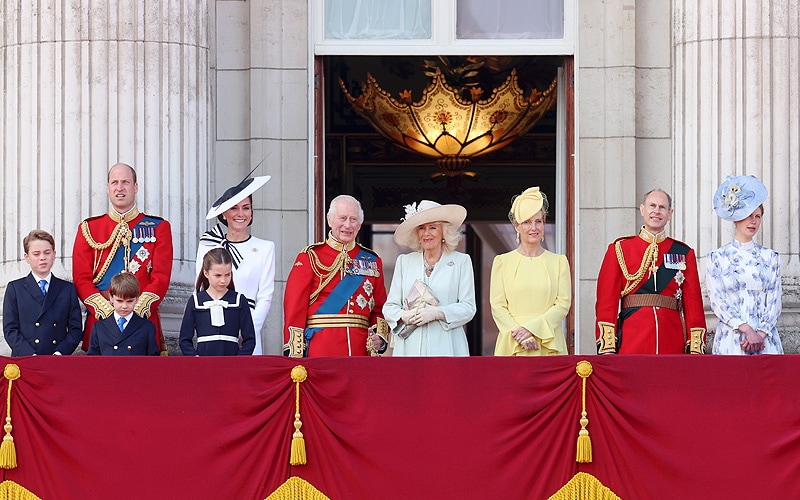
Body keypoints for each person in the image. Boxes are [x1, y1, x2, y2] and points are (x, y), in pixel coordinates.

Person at [73, 163, 173, 354]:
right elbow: (81, 279)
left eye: (125, 182)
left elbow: (160, 278)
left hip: (142, 323)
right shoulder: (89, 229)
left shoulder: (159, 227)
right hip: (101, 323)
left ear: (135, 187)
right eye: (114, 182)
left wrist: (134, 312)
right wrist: (108, 312)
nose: (120, 188)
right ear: (108, 188)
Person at [595, 189, 706, 354]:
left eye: (662, 207)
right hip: (632, 340)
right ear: (642, 210)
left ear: (670, 213)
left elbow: (693, 304)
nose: (656, 211)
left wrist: (695, 347)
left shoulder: (683, 253)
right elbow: (607, 302)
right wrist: (608, 347)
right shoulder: (620, 249)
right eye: (652, 205)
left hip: (672, 340)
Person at [283, 195, 388, 357]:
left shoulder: (373, 261)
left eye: (353, 219)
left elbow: (380, 309)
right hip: (320, 349)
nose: (347, 225)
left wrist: (379, 338)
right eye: (342, 218)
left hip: (360, 351)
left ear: (360, 224)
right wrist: (295, 353)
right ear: (329, 220)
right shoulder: (310, 256)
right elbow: (294, 307)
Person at [383, 200, 476, 356]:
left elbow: (468, 308)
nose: (426, 233)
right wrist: (403, 316)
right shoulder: (404, 262)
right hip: (409, 349)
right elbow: (389, 307)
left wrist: (438, 313)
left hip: (447, 347)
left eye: (432, 227)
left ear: (444, 232)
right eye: (421, 228)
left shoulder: (462, 261)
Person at [196, 175, 274, 355]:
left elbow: (265, 296)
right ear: (224, 213)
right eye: (234, 208)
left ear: (252, 212)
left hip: (247, 332)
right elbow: (199, 288)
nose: (241, 214)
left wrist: (248, 331)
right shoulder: (209, 244)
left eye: (246, 208)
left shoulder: (265, 248)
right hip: (213, 330)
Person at [706, 175, 783, 355]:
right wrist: (746, 330)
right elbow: (717, 301)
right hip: (731, 339)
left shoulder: (770, 257)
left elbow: (774, 300)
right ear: (735, 218)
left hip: (765, 340)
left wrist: (760, 333)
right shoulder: (717, 257)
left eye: (758, 216)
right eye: (748, 216)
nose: (753, 221)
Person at [491, 187, 570, 356]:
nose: (533, 227)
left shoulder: (559, 262)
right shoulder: (502, 262)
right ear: (516, 226)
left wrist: (533, 329)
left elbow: (563, 304)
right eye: (527, 222)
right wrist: (520, 335)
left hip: (548, 343)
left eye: (538, 221)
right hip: (512, 343)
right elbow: (498, 307)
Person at [3, 230, 83, 356]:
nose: (42, 258)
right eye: (36, 254)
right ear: (27, 257)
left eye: (47, 252)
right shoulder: (15, 288)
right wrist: (30, 355)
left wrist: (60, 353)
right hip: (26, 359)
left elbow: (75, 329)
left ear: (54, 254)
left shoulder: (67, 289)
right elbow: (10, 330)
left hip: (57, 360)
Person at [181, 248, 256, 356]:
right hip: (203, 363)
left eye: (227, 275)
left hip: (232, 364)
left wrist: (239, 360)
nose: (223, 280)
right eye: (218, 275)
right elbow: (184, 339)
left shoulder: (239, 300)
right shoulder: (195, 301)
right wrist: (195, 358)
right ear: (206, 273)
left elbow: (250, 339)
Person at [87, 273, 159, 355]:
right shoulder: (99, 327)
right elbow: (92, 360)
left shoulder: (147, 327)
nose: (124, 306)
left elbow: (153, 360)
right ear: (111, 297)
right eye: (119, 301)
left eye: (129, 301)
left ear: (137, 299)